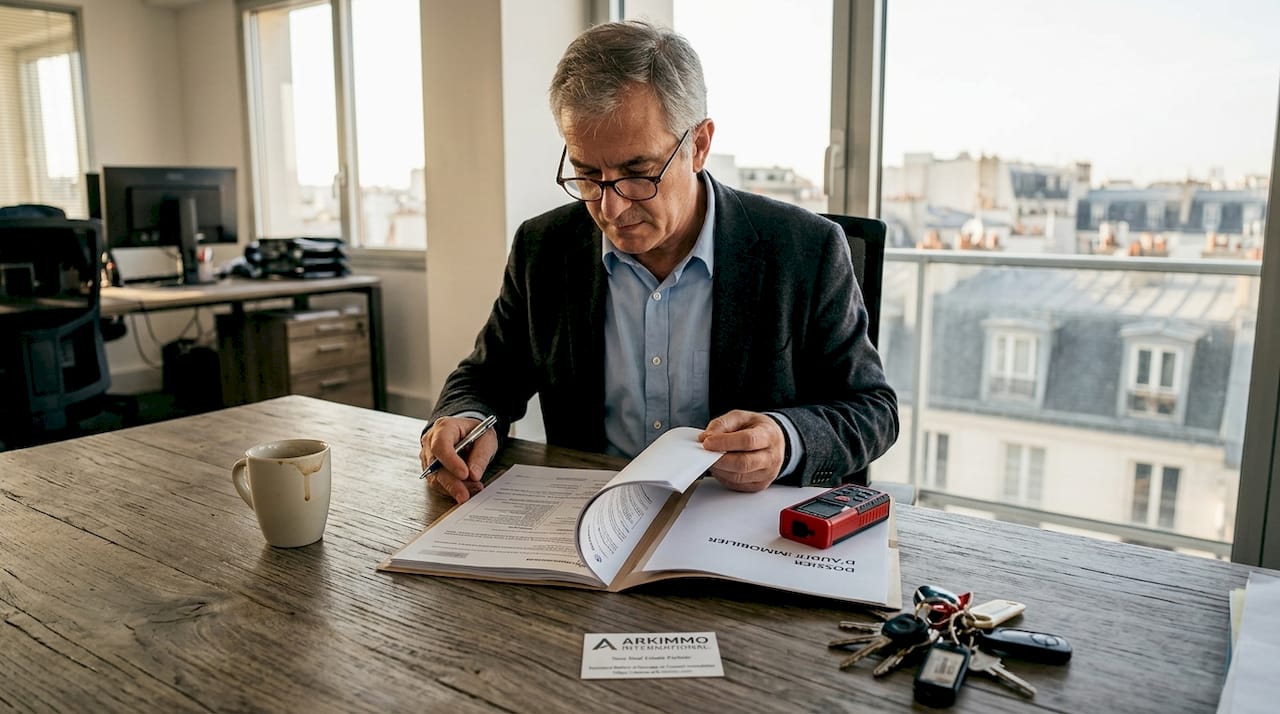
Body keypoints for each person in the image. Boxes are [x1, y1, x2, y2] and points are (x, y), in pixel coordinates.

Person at [420, 19, 898, 503]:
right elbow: (486, 377)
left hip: (741, 524)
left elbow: (873, 409)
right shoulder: (544, 247)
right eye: (587, 175)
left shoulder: (805, 248)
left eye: (638, 173)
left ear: (700, 146)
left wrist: (785, 438)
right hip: (591, 520)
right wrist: (463, 418)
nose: (610, 209)